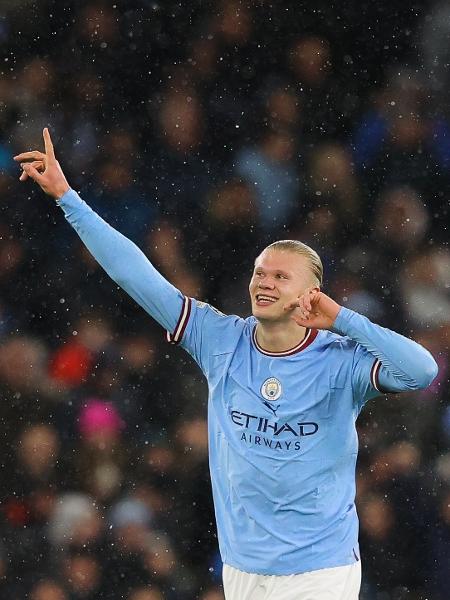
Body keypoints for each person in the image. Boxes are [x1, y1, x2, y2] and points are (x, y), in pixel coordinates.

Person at [14, 129, 438, 600]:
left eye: (281, 276)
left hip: (320, 571)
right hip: (242, 569)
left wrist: (340, 319)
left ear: (310, 292)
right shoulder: (220, 338)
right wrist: (67, 197)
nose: (265, 282)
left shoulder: (340, 362)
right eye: (260, 272)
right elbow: (135, 274)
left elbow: (421, 370)